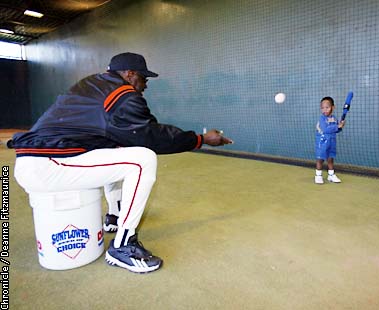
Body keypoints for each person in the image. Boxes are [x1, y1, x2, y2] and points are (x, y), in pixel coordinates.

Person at [8, 52, 233, 273]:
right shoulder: (122, 94)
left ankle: (114, 216)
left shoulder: (92, 84)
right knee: (143, 159)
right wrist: (201, 139)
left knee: (118, 147)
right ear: (129, 73)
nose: (145, 85)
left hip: (43, 161)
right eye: (143, 78)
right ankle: (123, 246)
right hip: (48, 165)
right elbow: (150, 136)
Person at [314, 96, 345, 184]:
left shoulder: (334, 118)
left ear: (333, 107)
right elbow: (326, 129)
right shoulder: (322, 118)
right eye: (322, 108)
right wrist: (337, 126)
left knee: (330, 158)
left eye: (327, 107)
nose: (325, 110)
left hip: (331, 141)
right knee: (320, 159)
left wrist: (340, 126)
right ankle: (318, 175)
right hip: (322, 142)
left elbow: (336, 130)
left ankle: (331, 175)